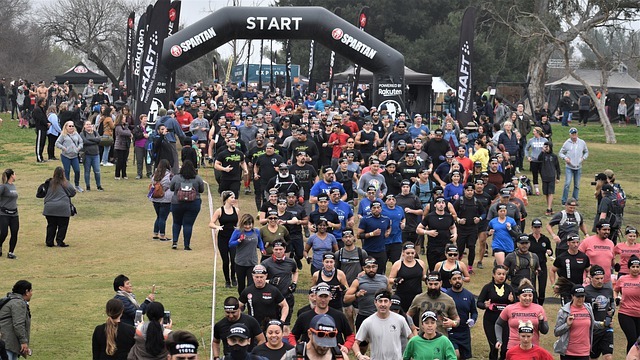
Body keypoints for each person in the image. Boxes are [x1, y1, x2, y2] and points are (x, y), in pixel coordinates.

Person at [289, 282, 354, 353]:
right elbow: (292, 336)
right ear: (315, 296)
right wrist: (295, 347)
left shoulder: (339, 316)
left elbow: (350, 335)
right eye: (321, 296)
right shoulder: (304, 316)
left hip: (334, 355)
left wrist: (346, 347)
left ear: (330, 297)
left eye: (325, 296)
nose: (323, 300)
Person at [352, 289, 412, 360]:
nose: (383, 304)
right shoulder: (368, 322)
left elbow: (411, 338)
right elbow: (355, 343)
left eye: (385, 301)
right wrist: (359, 355)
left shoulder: (400, 319)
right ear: (375, 302)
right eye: (380, 301)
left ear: (390, 303)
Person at [554, 285, 605, 359]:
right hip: (568, 352)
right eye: (578, 297)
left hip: (584, 352)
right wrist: (567, 325)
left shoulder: (588, 308)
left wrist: (603, 324)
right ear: (572, 296)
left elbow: (592, 323)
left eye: (582, 296)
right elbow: (556, 332)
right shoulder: (564, 311)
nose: (581, 299)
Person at [495, 281, 548, 351]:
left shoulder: (539, 309)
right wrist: (499, 340)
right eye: (524, 295)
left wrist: (541, 321)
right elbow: (498, 324)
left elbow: (545, 331)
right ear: (518, 296)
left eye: (530, 295)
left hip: (533, 348)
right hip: (513, 348)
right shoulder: (510, 308)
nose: (527, 298)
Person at [477, 265, 515, 360]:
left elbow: (516, 305)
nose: (502, 276)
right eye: (499, 274)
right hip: (490, 320)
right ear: (494, 275)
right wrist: (485, 305)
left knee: (505, 348)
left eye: (503, 274)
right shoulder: (487, 287)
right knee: (494, 346)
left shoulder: (509, 288)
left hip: (505, 322)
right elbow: (479, 303)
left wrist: (512, 301)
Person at [407, 272, 460, 337]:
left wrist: (453, 323)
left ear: (441, 283)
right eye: (430, 284)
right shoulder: (418, 298)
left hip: (441, 339)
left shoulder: (449, 300)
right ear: (426, 283)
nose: (433, 287)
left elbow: (456, 318)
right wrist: (413, 328)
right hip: (423, 338)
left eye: (436, 284)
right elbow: (408, 315)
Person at [169, 160, 204, 251]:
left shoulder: (176, 178)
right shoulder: (197, 178)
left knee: (176, 222)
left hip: (177, 203)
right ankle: (186, 245)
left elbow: (171, 188)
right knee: (188, 224)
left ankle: (175, 242)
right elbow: (201, 190)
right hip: (193, 204)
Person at [281, 314, 349, 360]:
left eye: (328, 342)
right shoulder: (292, 356)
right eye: (320, 342)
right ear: (310, 334)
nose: (324, 347)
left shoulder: (341, 357)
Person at [416, 196, 457, 271]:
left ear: (445, 205)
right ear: (435, 205)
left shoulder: (449, 216)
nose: (441, 205)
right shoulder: (430, 216)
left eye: (442, 203)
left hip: (446, 247)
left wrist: (455, 234)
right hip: (433, 247)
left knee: (445, 269)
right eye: (439, 203)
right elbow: (418, 229)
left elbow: (453, 227)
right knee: (433, 269)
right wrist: (427, 232)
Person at [261, 240, 298, 322]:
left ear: (284, 249)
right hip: (271, 297)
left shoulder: (291, 262)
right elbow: (259, 280)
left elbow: (295, 272)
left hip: (287, 296)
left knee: (285, 325)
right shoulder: (265, 263)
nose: (278, 251)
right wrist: (269, 281)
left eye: (280, 249)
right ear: (272, 250)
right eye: (276, 249)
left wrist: (294, 283)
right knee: (271, 324)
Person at [229, 214, 266, 295]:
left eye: (249, 224)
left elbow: (259, 241)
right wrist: (238, 241)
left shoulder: (256, 231)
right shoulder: (238, 231)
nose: (248, 226)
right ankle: (242, 300)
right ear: (242, 224)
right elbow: (230, 244)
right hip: (240, 263)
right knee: (241, 285)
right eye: (245, 224)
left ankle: (250, 300)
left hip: (252, 262)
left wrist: (262, 248)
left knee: (251, 284)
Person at [584, 265, 615, 360]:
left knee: (608, 357)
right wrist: (592, 307)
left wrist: (612, 311)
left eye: (602, 278)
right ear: (591, 278)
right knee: (593, 357)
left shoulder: (608, 290)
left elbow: (612, 303)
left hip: (607, 328)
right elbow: (582, 309)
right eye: (597, 278)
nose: (600, 281)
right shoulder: (586, 291)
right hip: (593, 330)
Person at [209, 191, 239, 288]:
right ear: (226, 199)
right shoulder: (219, 211)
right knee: (225, 260)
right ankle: (227, 280)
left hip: (233, 237)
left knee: (234, 259)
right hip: (223, 238)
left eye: (234, 198)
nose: (234, 199)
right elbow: (211, 223)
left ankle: (233, 277)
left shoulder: (236, 210)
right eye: (232, 198)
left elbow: (238, 223)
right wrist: (217, 227)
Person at [446, 270, 477, 360]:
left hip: (464, 332)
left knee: (464, 357)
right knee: (455, 355)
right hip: (451, 332)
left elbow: (474, 312)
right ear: (450, 281)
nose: (457, 281)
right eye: (454, 279)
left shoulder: (469, 295)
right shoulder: (446, 296)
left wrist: (473, 320)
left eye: (459, 278)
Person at [42, 166, 76, 247]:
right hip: (62, 208)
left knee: (51, 225)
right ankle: (60, 241)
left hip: (49, 208)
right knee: (63, 225)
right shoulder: (65, 183)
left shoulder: (49, 182)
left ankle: (49, 241)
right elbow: (72, 192)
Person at [389, 243, 426, 312]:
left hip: (417, 296)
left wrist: (427, 279)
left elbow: (423, 277)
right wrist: (396, 280)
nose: (410, 255)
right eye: (408, 253)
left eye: (412, 253)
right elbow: (390, 279)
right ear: (403, 253)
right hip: (402, 296)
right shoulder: (398, 264)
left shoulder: (421, 263)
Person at [357, 200, 392, 274]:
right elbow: (358, 235)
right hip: (368, 251)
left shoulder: (386, 219)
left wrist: (388, 232)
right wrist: (372, 234)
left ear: (381, 209)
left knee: (381, 272)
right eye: (374, 208)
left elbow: (389, 227)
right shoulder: (365, 220)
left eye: (378, 208)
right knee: (368, 272)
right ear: (370, 209)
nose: (376, 209)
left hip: (381, 251)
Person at [0, 280, 32, 360]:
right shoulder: (18, 303)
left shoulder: (10, 300)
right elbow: (18, 324)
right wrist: (23, 342)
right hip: (7, 344)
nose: (32, 294)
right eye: (31, 291)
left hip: (7, 343)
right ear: (26, 291)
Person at [615, 255, 640, 353]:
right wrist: (617, 297)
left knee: (639, 341)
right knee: (632, 339)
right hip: (625, 313)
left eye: (637, 267)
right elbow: (615, 290)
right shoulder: (622, 279)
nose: (635, 269)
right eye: (633, 267)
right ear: (629, 268)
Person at [559, 127, 589, 205]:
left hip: (578, 166)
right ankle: (564, 200)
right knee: (567, 184)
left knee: (577, 185)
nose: (574, 135)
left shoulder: (582, 142)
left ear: (577, 134)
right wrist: (565, 158)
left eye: (575, 133)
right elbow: (561, 153)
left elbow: (586, 152)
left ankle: (575, 200)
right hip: (569, 166)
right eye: (572, 134)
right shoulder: (567, 143)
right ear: (570, 135)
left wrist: (583, 158)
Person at [580, 220, 615, 285]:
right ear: (598, 230)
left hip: (606, 281)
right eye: (604, 229)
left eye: (608, 230)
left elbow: (612, 261)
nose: (607, 232)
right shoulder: (587, 241)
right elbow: (578, 258)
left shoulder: (611, 243)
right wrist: (585, 276)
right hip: (590, 280)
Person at [56, 120, 84, 192]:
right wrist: (64, 148)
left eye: (72, 126)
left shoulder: (76, 134)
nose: (71, 127)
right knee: (67, 171)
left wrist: (79, 148)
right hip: (66, 156)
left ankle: (77, 185)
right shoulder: (63, 135)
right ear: (66, 127)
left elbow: (81, 142)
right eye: (70, 126)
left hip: (74, 156)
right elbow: (57, 143)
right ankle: (67, 186)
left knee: (77, 170)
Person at [80, 120, 104, 191]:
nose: (89, 126)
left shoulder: (95, 132)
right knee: (87, 171)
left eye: (90, 124)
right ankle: (88, 186)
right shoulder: (82, 133)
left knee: (97, 171)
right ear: (84, 126)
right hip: (87, 155)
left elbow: (99, 140)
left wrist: (91, 139)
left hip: (96, 154)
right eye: (87, 124)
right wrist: (95, 141)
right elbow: (85, 141)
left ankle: (99, 186)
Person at [0, 169, 19, 259]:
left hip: (14, 214)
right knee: (4, 233)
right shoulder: (3, 187)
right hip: (4, 214)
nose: (15, 176)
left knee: (14, 233)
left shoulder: (13, 186)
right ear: (11, 175)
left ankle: (11, 252)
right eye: (15, 174)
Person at [538, 141, 560, 215]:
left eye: (547, 146)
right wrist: (542, 151)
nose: (546, 148)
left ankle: (549, 208)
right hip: (544, 176)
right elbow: (539, 159)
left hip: (551, 176)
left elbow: (557, 167)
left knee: (550, 192)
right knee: (546, 193)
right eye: (545, 146)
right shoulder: (543, 155)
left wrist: (558, 177)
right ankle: (549, 207)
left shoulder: (554, 156)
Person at [132, 114, 152, 180]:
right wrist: (143, 135)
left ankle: (149, 173)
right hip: (139, 146)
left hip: (147, 146)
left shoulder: (149, 127)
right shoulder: (137, 127)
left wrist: (149, 136)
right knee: (139, 160)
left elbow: (152, 134)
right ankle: (139, 174)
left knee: (148, 160)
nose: (145, 120)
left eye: (146, 118)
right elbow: (135, 134)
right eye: (144, 118)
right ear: (141, 119)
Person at [113, 113, 132, 180]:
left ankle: (124, 174)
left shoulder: (125, 126)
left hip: (125, 145)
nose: (125, 119)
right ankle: (117, 174)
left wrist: (127, 128)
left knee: (124, 160)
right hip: (119, 145)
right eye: (123, 118)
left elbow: (129, 131)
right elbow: (123, 133)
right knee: (119, 160)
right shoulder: (118, 126)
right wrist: (128, 132)